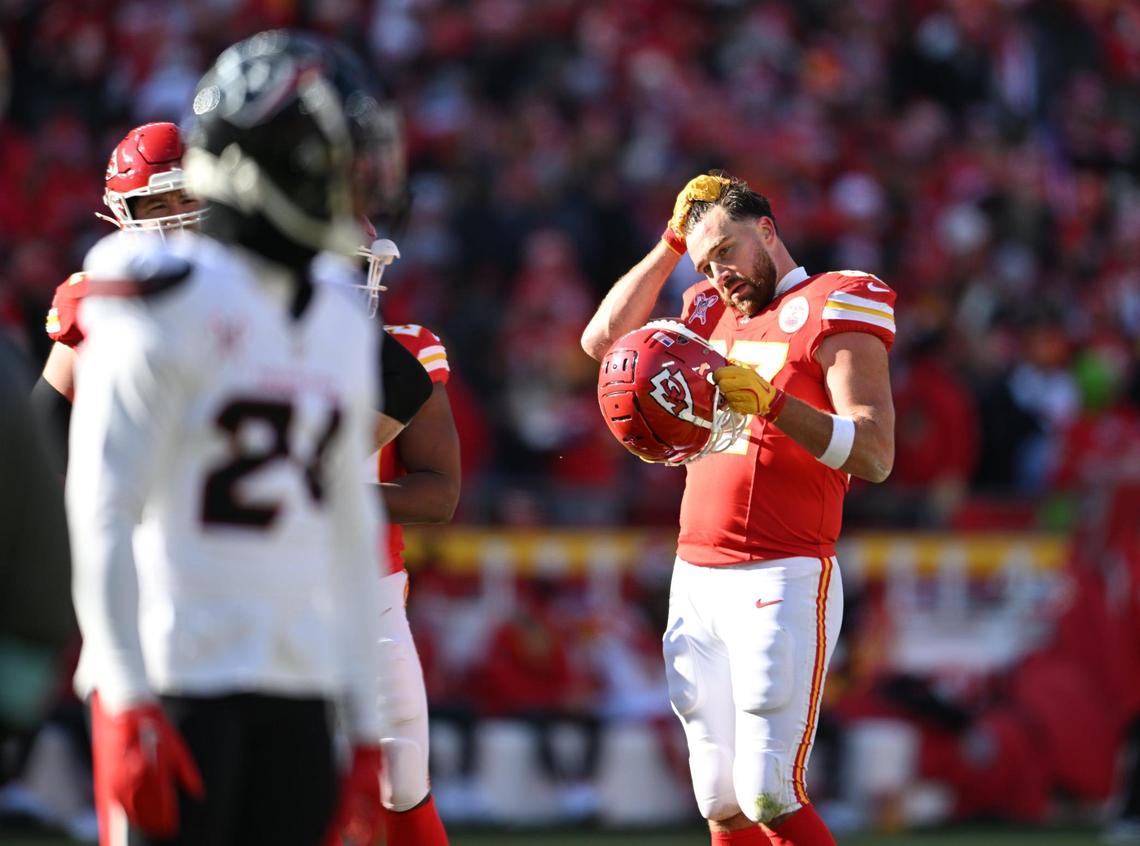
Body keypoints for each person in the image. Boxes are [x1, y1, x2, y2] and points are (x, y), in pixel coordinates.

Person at [65, 31, 430, 846]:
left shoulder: (338, 306)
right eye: (325, 160)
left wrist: (367, 725)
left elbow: (342, 518)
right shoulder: (155, 294)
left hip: (297, 673)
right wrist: (124, 694)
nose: (346, 186)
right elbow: (102, 507)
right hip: (179, 667)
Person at [581, 172, 897, 845]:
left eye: (725, 250)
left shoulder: (837, 300)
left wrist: (775, 404)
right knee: (720, 800)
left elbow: (874, 453)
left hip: (783, 570)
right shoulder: (703, 312)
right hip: (695, 573)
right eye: (704, 262)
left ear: (768, 230)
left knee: (770, 792)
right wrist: (672, 242)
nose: (717, 272)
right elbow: (600, 339)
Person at [357, 235, 460, 845]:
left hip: (367, 594)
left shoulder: (402, 353)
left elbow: (438, 494)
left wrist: (328, 499)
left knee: (401, 780)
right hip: (250, 588)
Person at [31, 121, 204, 454]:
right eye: (158, 205)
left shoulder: (252, 282)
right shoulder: (101, 298)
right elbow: (43, 428)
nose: (179, 217)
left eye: (187, 199)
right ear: (125, 213)